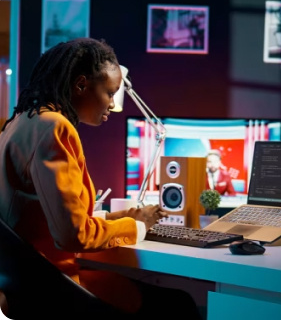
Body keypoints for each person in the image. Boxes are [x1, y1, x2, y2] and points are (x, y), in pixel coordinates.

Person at [0, 38, 202, 319]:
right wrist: (136, 228)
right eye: (110, 93)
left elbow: (47, 217)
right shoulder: (56, 128)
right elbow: (73, 234)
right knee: (179, 303)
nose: (112, 105)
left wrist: (124, 216)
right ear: (81, 84)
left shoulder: (20, 122)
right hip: (57, 288)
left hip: (27, 285)